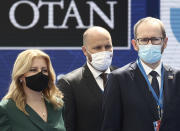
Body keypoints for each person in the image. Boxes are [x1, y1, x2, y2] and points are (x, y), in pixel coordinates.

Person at [101, 17, 177, 131]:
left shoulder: (178, 78)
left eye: (155, 39)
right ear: (135, 44)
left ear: (165, 42)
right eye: (144, 40)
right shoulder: (118, 79)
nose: (149, 44)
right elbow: (110, 126)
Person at [57, 26, 117, 131]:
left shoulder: (124, 77)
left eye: (108, 47)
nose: (104, 52)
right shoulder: (69, 83)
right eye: (97, 48)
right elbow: (67, 126)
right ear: (85, 51)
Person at [0, 49, 66, 131]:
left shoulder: (58, 104)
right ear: (21, 76)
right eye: (33, 70)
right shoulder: (6, 109)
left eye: (44, 70)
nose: (40, 74)